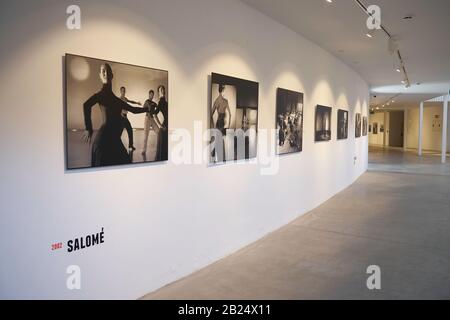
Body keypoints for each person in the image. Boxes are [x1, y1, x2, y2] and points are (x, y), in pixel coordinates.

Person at [82, 63, 149, 167]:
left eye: (107, 70)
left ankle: (131, 145)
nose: (105, 73)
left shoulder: (117, 101)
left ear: (112, 75)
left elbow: (134, 110)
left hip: (115, 141)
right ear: (100, 75)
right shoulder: (100, 95)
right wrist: (88, 128)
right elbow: (86, 105)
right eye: (103, 71)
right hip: (103, 143)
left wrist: (146, 109)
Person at [119, 86, 141, 151]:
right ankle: (116, 146)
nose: (123, 92)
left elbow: (131, 101)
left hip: (125, 118)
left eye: (124, 90)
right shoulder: (119, 99)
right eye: (122, 91)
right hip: (121, 118)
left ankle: (130, 145)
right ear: (120, 91)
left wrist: (137, 103)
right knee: (119, 133)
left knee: (130, 130)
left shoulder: (125, 98)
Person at [141, 90, 162, 156]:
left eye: (153, 95)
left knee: (159, 131)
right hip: (147, 119)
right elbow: (143, 109)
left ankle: (159, 148)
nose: (152, 96)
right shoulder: (147, 101)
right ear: (149, 94)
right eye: (151, 94)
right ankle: (144, 150)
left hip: (152, 119)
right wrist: (147, 109)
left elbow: (158, 107)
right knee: (145, 136)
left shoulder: (154, 103)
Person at [153, 85, 168, 161]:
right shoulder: (161, 101)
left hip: (167, 125)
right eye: (160, 90)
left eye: (163, 89)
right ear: (159, 92)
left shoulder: (165, 101)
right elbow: (154, 113)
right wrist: (159, 125)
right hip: (164, 126)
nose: (162, 91)